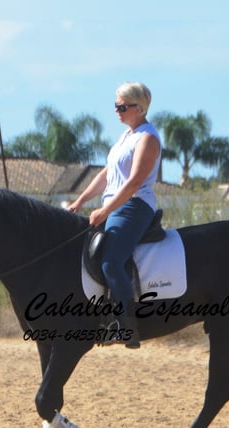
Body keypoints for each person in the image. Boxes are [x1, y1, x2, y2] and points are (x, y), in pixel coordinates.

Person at [67, 81, 162, 349]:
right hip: (115, 206)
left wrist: (105, 210)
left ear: (140, 108)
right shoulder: (125, 137)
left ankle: (127, 327)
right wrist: (80, 202)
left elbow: (133, 183)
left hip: (134, 206)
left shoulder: (148, 138)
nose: (117, 110)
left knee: (111, 262)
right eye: (116, 105)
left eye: (122, 106)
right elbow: (106, 175)